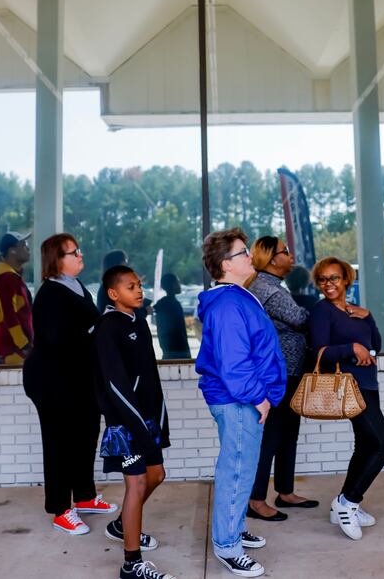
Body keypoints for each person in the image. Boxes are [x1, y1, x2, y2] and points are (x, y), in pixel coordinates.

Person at [196, 227, 286, 578]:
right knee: (236, 469)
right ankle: (227, 545)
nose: (251, 256)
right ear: (225, 264)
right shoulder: (228, 304)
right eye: (243, 252)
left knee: (244, 466)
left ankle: (231, 526)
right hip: (239, 401)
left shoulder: (237, 296)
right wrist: (259, 397)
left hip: (243, 399)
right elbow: (235, 364)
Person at [24, 233, 117, 535]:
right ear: (56, 260)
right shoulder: (50, 293)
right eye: (73, 252)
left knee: (86, 434)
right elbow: (56, 341)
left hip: (80, 379)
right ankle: (61, 508)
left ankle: (86, 496)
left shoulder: (76, 287)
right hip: (53, 381)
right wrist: (95, 330)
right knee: (59, 443)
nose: (80, 255)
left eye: (79, 250)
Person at [94, 265, 175, 579]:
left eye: (139, 285)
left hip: (147, 421)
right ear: (114, 294)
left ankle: (122, 526)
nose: (139, 290)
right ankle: (132, 564)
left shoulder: (138, 323)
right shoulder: (107, 328)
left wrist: (158, 420)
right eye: (131, 286)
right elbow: (115, 384)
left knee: (156, 475)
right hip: (126, 424)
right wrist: (136, 424)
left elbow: (150, 377)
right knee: (137, 483)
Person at [310, 256, 384, 541]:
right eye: (322, 279)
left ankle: (343, 505)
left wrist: (368, 317)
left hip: (369, 383)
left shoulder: (354, 311)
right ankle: (348, 502)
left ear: (346, 279)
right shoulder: (322, 311)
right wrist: (351, 347)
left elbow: (378, 346)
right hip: (350, 386)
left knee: (366, 444)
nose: (328, 284)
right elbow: (318, 353)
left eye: (334, 278)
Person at [244, 236, 321, 523]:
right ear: (271, 258)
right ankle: (256, 499)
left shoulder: (272, 286)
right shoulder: (268, 290)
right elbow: (300, 318)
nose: (290, 255)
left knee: (288, 432)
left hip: (288, 370)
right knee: (273, 435)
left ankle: (285, 491)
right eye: (285, 251)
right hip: (279, 373)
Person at [0, 231, 33, 365]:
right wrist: (24, 345)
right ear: (12, 251)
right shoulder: (6, 278)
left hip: (15, 349)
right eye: (24, 244)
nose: (28, 249)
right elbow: (9, 315)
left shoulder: (10, 276)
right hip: (15, 350)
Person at [152, 273, 190, 360]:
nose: (179, 285)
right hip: (178, 350)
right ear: (172, 285)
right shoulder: (173, 304)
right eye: (177, 282)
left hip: (168, 349)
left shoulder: (161, 304)